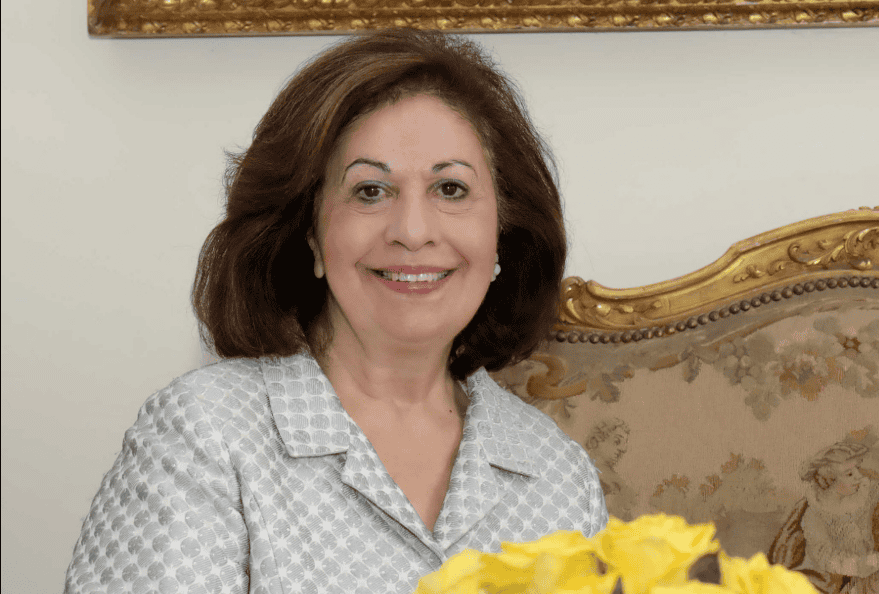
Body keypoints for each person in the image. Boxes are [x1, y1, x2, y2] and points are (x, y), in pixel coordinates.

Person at [65, 28, 608, 594]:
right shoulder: (205, 435)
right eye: (370, 191)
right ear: (312, 234)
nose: (412, 231)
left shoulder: (559, 477)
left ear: (502, 234)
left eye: (450, 189)